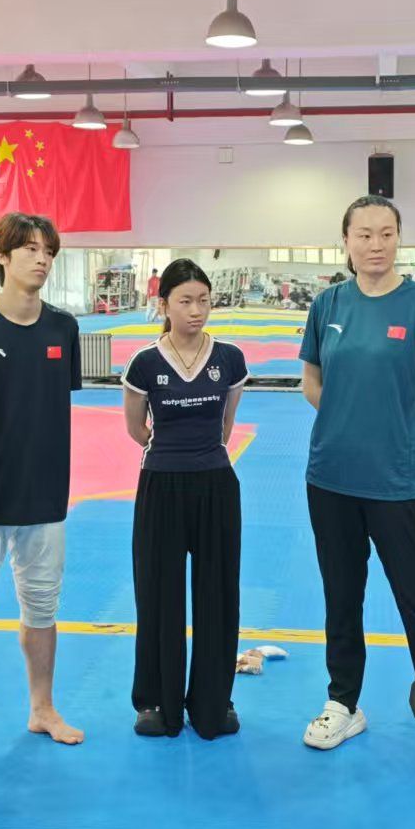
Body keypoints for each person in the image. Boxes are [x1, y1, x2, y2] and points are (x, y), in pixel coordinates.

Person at [297, 195, 415, 779]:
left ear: (399, 238)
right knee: (341, 596)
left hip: (396, 483)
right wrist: (348, 424)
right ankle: (343, 704)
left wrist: (405, 442)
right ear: (346, 241)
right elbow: (312, 380)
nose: (376, 244)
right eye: (364, 234)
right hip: (330, 478)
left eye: (386, 233)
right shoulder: (328, 304)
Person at [0, 212, 84, 771]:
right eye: (29, 249)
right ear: (2, 256)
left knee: (43, 609)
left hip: (45, 495)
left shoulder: (63, 328)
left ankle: (42, 708)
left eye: (48, 250)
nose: (41, 259)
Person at [123, 259, 247, 739]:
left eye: (204, 301)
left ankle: (214, 700)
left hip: (216, 484)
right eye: (185, 301)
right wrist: (172, 455)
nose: (196, 310)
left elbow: (226, 426)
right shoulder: (145, 363)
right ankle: (156, 701)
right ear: (164, 306)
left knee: (218, 594)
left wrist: (199, 456)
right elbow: (136, 428)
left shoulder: (230, 359)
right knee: (158, 595)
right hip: (161, 485)